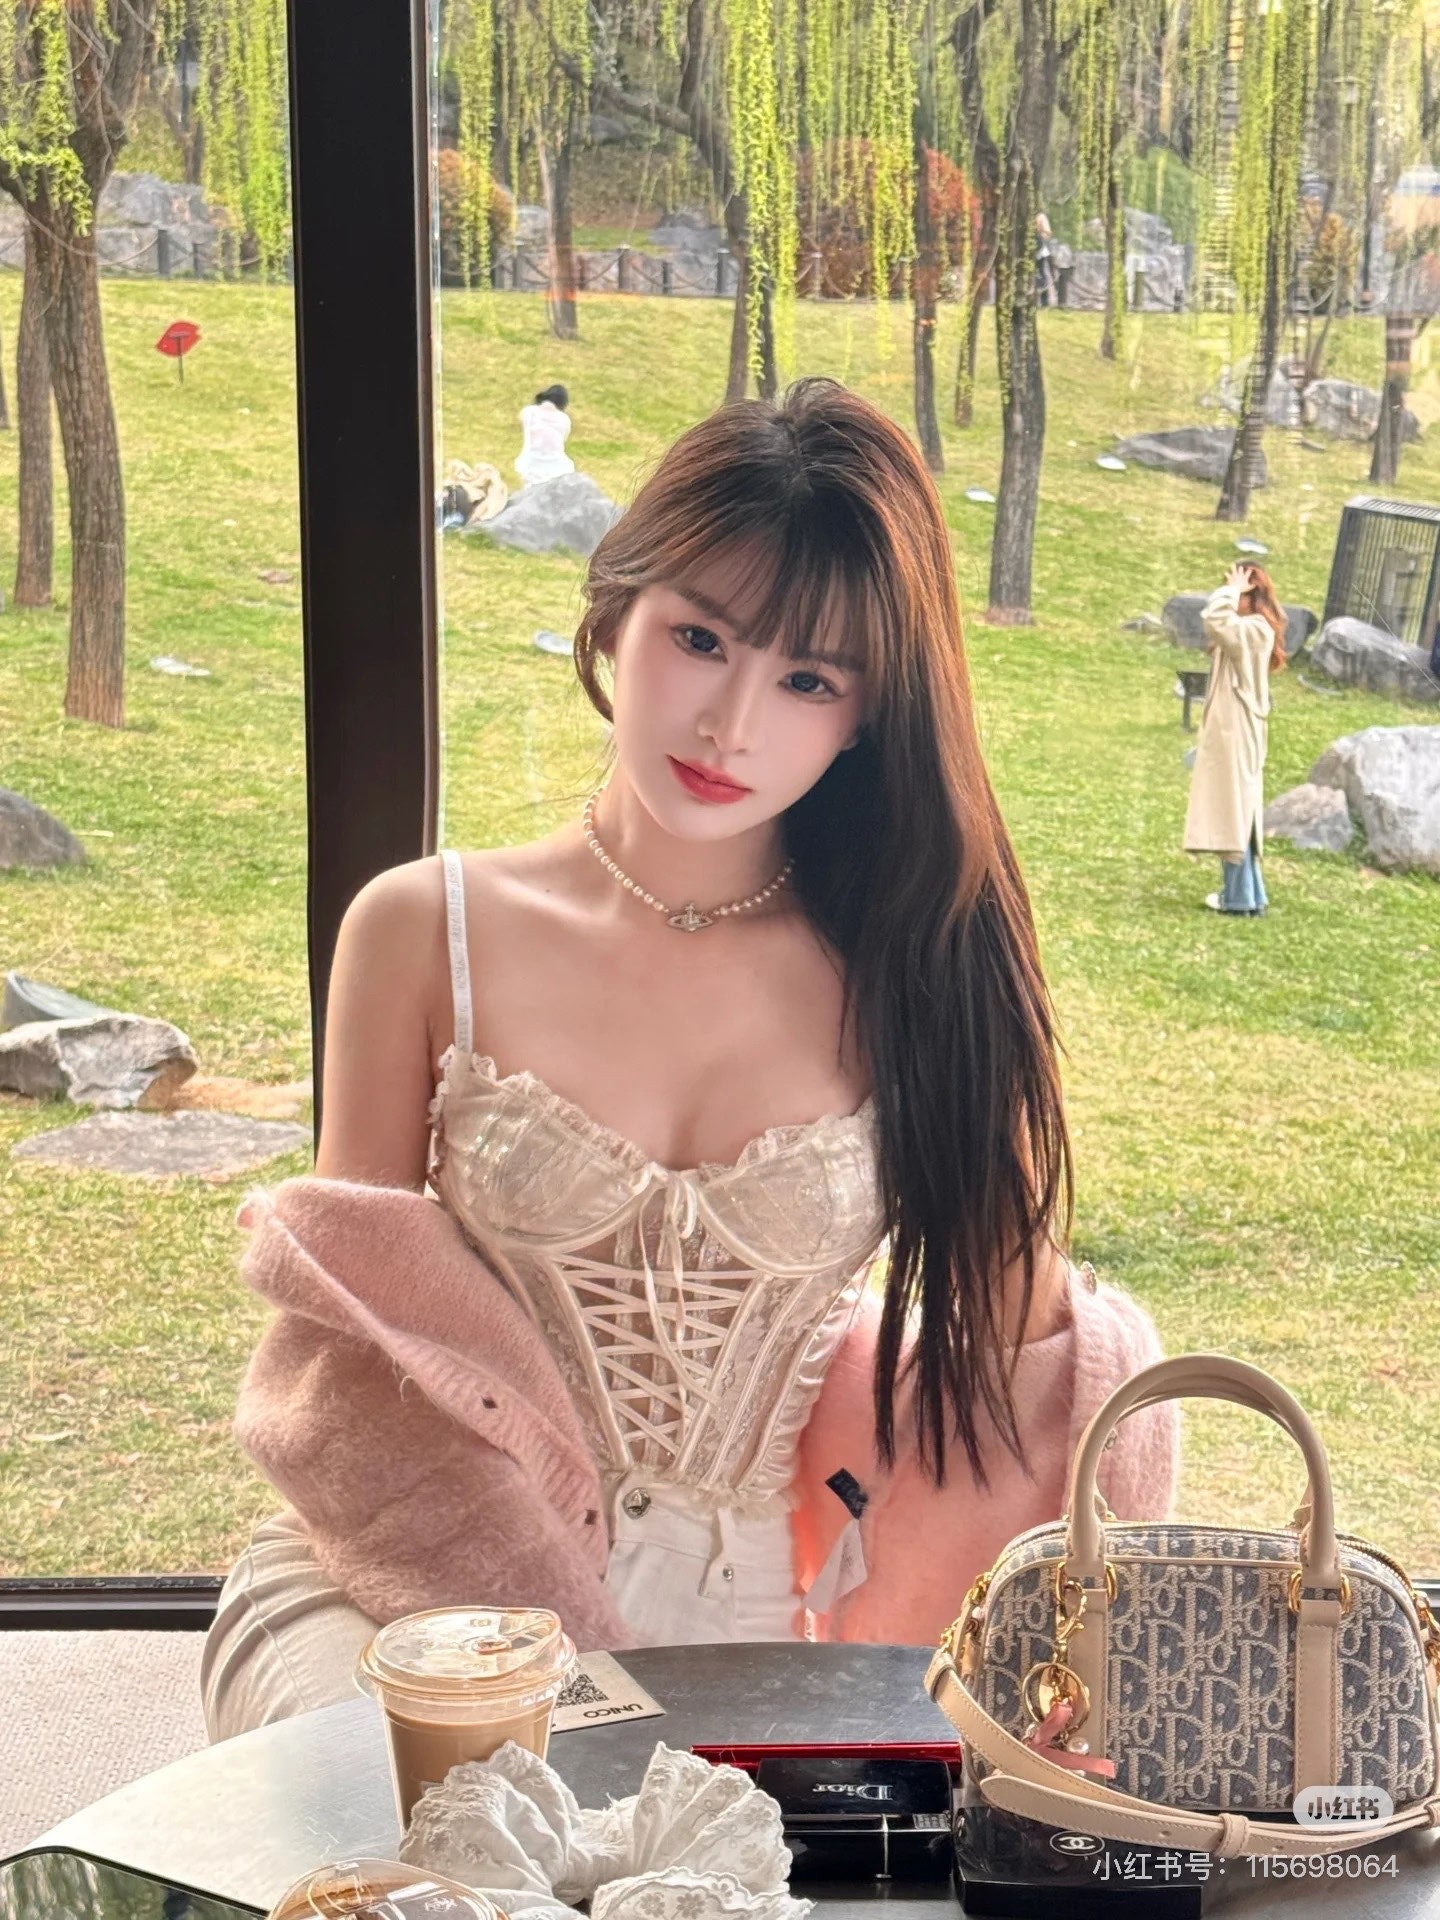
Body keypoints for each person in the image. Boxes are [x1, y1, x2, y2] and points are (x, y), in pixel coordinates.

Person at [201, 376, 1174, 1739]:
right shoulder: (425, 931)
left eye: (809, 679)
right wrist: (541, 1659)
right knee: (431, 1821)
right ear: (617, 609)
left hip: (744, 1629)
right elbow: (358, 1357)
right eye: (702, 638)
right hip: (415, 1585)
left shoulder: (914, 975)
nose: (733, 724)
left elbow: (1038, 1386)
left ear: (866, 716)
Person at [1183, 561, 1288, 915]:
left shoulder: (1255, 630)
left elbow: (1215, 618)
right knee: (1237, 812)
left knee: (1234, 813)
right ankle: (1251, 896)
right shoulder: (1250, 631)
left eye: (1238, 593)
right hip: (1235, 730)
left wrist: (1231, 589)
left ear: (1249, 594)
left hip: (1237, 732)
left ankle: (1239, 897)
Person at [515, 383, 575, 487]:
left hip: (530, 463)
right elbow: (563, 440)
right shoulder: (564, 419)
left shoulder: (529, 412)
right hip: (556, 466)